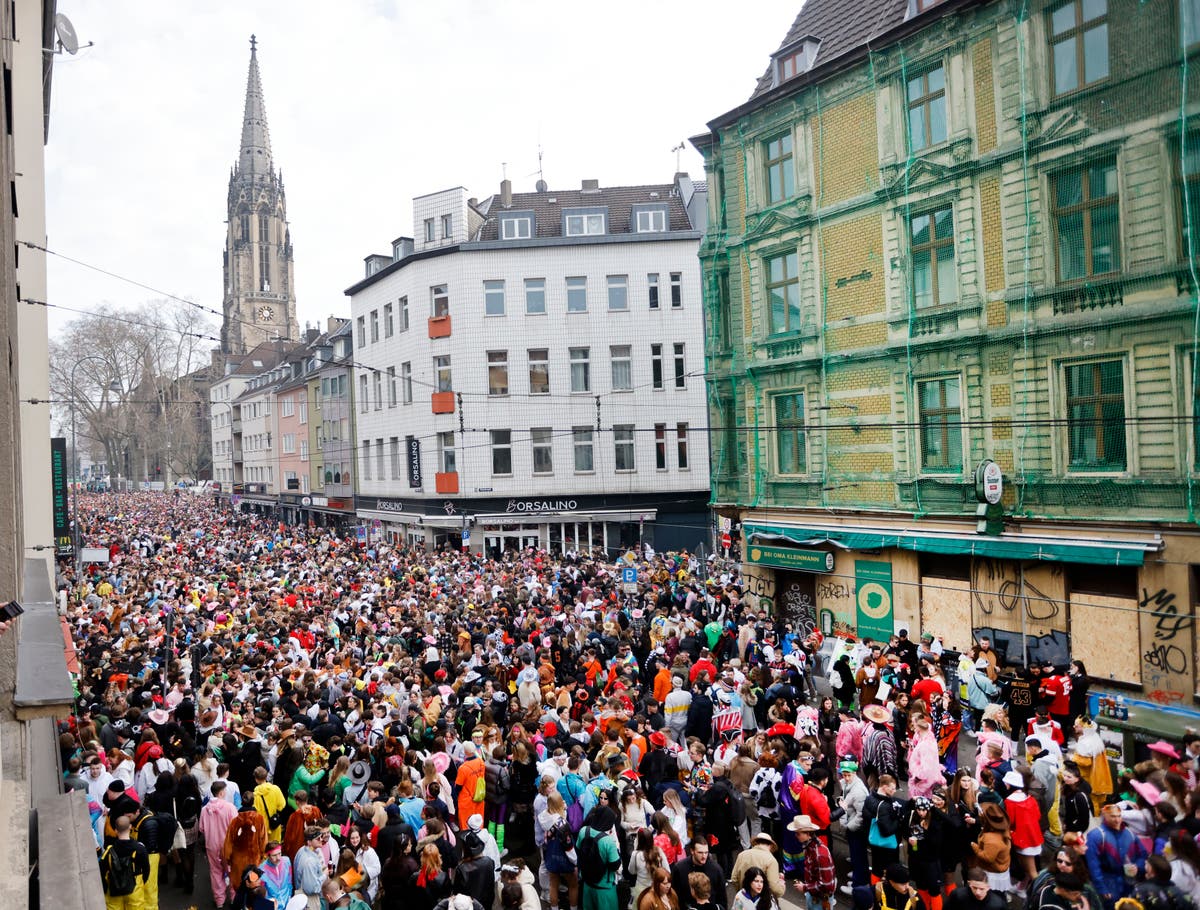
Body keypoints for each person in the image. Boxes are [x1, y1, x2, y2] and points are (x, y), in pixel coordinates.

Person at [1086, 804, 1148, 909]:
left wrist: (1138, 866)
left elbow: (1143, 854)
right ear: (1105, 816)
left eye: (1119, 816)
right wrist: (1101, 887)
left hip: (1128, 882)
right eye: (1113, 816)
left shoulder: (1130, 834)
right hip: (1108, 881)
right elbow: (1093, 865)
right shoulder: (1096, 835)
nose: (1117, 820)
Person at [200, 778, 239, 907]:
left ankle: (219, 901)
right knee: (232, 870)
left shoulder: (205, 809)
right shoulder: (230, 808)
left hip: (211, 845)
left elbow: (201, 828)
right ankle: (234, 898)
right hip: (228, 846)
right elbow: (236, 827)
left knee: (216, 872)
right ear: (222, 793)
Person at [100, 814, 151, 910]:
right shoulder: (140, 849)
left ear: (115, 830)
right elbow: (146, 870)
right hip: (135, 889)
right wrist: (141, 882)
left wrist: (106, 888)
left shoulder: (109, 851)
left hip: (114, 890)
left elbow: (102, 872)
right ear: (130, 827)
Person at [579, 806, 623, 910]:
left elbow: (578, 849)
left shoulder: (583, 831)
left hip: (587, 884)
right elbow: (616, 866)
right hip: (604, 889)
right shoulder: (608, 841)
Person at [789, 814, 835, 910]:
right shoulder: (809, 847)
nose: (796, 836)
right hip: (814, 897)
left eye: (798, 833)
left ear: (808, 834)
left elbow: (827, 885)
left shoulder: (820, 854)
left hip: (820, 901)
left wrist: (805, 887)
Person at [670, 837, 725, 910]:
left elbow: (722, 897)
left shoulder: (716, 870)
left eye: (706, 852)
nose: (704, 856)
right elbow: (674, 895)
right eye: (700, 852)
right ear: (692, 851)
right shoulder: (679, 869)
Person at [730, 832, 785, 902]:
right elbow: (774, 888)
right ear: (770, 845)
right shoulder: (771, 860)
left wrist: (741, 891)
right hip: (761, 902)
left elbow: (734, 878)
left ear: (756, 843)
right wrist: (781, 886)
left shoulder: (742, 855)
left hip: (743, 898)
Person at [971, 803, 1011, 895]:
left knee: (992, 896)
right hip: (1000, 871)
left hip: (992, 874)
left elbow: (988, 858)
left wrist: (975, 847)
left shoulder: (991, 839)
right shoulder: (1002, 829)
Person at [452, 832, 496, 910]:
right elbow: (491, 884)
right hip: (486, 902)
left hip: (470, 904)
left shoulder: (462, 869)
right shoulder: (489, 861)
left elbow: (457, 891)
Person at [293, 825, 328, 910]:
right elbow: (312, 889)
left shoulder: (301, 850)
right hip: (309, 902)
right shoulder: (310, 862)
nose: (321, 840)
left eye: (321, 837)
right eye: (318, 839)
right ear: (309, 842)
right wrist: (324, 875)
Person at [259, 840, 294, 908]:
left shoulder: (287, 861)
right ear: (267, 856)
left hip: (288, 904)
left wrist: (290, 896)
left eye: (279, 853)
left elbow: (289, 882)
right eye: (274, 855)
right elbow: (263, 894)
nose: (278, 858)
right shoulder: (261, 870)